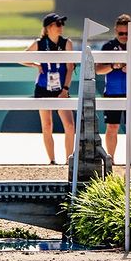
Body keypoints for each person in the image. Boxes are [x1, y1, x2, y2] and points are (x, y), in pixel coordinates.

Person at [96, 14, 131, 159]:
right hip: (112, 92)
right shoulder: (108, 46)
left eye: (127, 33)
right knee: (112, 127)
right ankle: (111, 159)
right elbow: (98, 70)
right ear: (115, 31)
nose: (124, 36)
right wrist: (114, 66)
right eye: (121, 33)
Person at [24, 12, 76, 165]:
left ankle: (69, 161)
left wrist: (65, 89)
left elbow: (70, 67)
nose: (61, 27)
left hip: (61, 88)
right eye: (58, 24)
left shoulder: (67, 43)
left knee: (70, 125)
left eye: (62, 24)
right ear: (48, 28)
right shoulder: (39, 43)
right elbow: (21, 57)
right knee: (47, 125)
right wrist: (34, 64)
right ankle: (52, 160)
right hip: (43, 87)